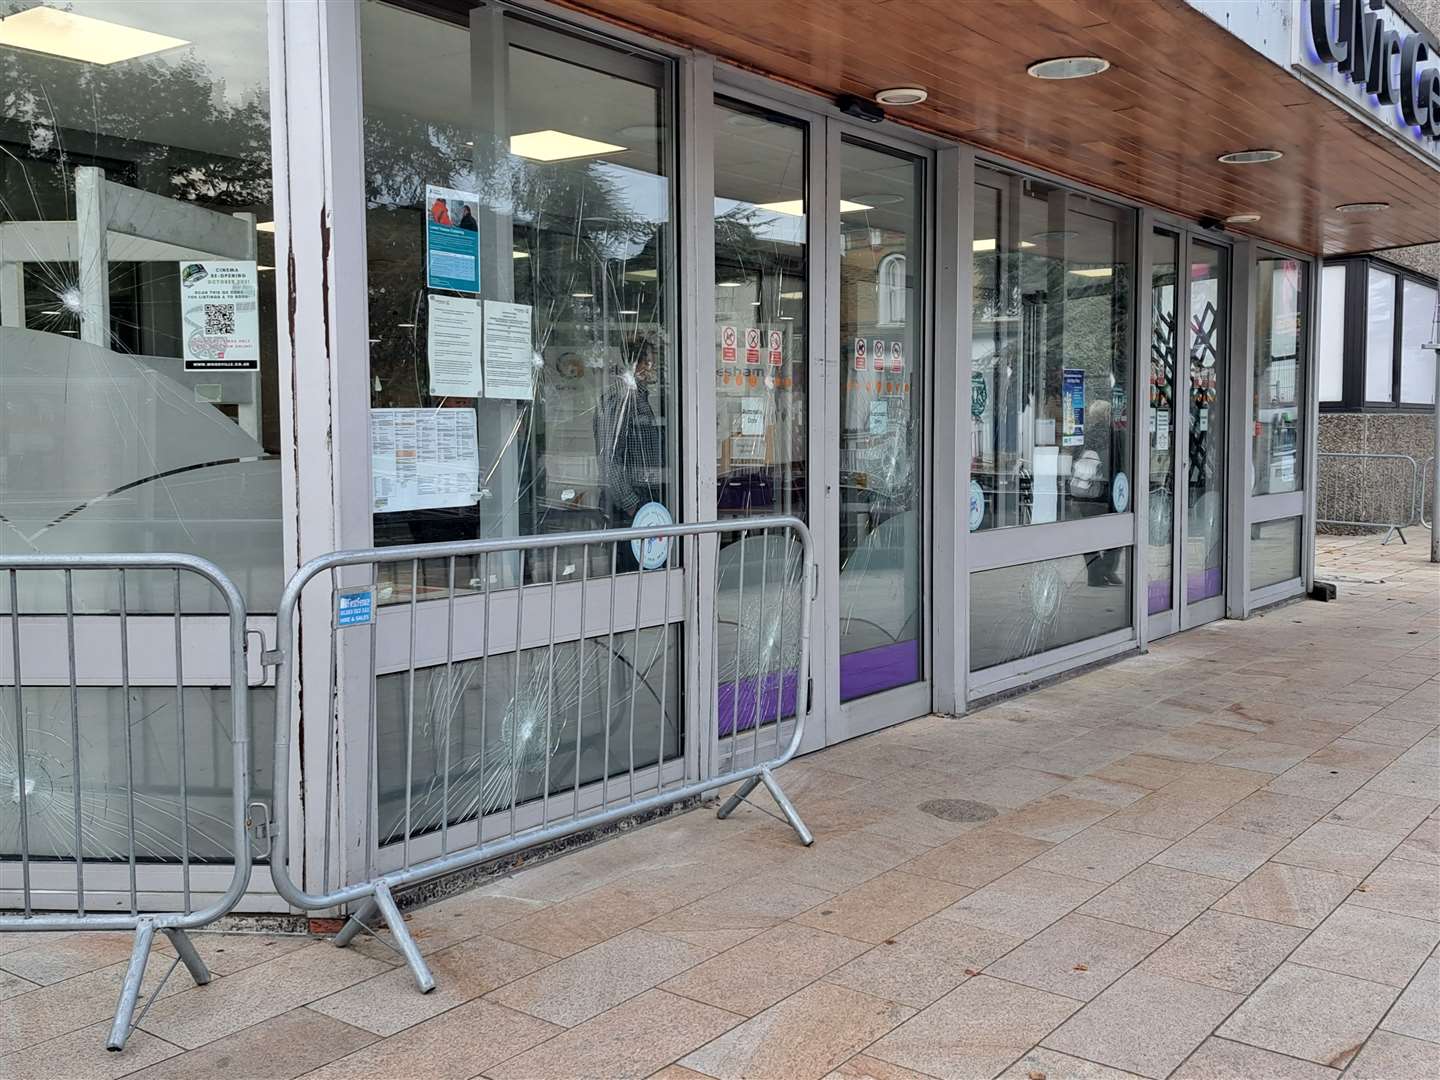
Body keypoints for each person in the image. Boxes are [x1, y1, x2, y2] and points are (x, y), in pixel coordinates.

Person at [594, 337, 664, 569]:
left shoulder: (640, 398)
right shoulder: (619, 399)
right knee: (632, 572)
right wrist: (631, 503)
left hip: (647, 500)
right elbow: (608, 458)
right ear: (637, 364)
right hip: (629, 505)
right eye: (650, 363)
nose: (653, 369)